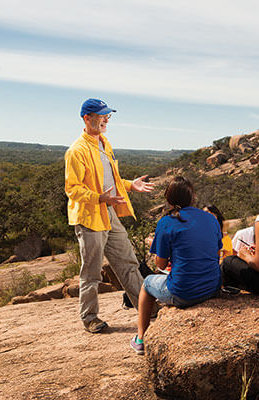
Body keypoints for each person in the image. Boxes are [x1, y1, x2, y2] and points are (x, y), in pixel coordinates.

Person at [65, 98, 154, 333]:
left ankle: (147, 308)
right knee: (91, 272)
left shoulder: (105, 143)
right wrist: (99, 198)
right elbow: (72, 189)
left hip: (109, 213)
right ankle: (90, 318)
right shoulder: (77, 151)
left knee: (128, 263)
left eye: (108, 116)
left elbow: (110, 180)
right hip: (90, 217)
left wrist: (129, 185)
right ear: (87, 118)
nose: (105, 119)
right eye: (101, 115)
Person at [130, 177, 222, 354]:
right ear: (193, 197)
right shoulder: (210, 219)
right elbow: (215, 253)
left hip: (184, 293)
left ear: (169, 200)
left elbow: (160, 264)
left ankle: (140, 338)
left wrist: (158, 248)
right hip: (212, 287)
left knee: (147, 283)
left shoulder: (166, 222)